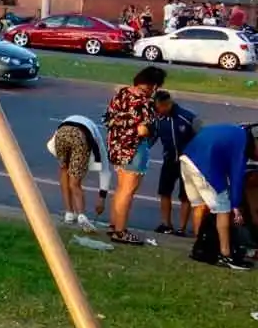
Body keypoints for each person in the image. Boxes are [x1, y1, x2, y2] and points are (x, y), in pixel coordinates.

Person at [180, 123, 258, 269]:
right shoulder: (241, 146)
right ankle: (225, 254)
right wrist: (235, 205)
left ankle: (201, 247)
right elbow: (236, 178)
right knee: (223, 208)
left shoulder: (235, 132)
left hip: (187, 158)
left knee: (200, 206)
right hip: (203, 165)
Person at [104, 66, 167, 245]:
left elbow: (108, 118)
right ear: (153, 85)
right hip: (134, 149)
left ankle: (114, 225)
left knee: (120, 188)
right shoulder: (144, 102)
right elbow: (142, 130)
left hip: (116, 146)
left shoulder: (121, 94)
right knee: (128, 191)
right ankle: (120, 231)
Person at [47, 115, 111, 232]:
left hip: (61, 133)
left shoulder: (93, 135)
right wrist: (102, 198)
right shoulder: (99, 147)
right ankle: (81, 215)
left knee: (64, 170)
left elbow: (50, 146)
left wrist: (66, 164)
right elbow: (105, 171)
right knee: (75, 183)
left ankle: (69, 214)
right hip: (80, 136)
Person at [153, 91, 202, 236]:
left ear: (166, 104)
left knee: (186, 195)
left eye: (159, 107)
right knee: (164, 191)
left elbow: (201, 138)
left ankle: (182, 228)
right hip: (169, 160)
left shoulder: (187, 117)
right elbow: (152, 137)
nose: (157, 110)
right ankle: (166, 224)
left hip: (188, 162)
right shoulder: (158, 119)